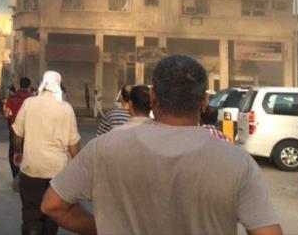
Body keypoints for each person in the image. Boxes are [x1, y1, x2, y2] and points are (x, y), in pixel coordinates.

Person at [41, 55, 282, 235]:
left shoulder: (104, 148)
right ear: (204, 102)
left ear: (154, 97)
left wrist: (102, 228)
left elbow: (53, 206)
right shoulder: (237, 162)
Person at [12, 71, 81, 235]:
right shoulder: (67, 109)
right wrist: (78, 169)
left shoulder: (29, 104)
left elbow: (17, 134)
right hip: (58, 173)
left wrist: (17, 151)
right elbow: (74, 146)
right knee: (51, 216)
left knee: (31, 213)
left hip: (31, 169)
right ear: (59, 86)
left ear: (43, 83)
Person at [4, 77, 32, 190]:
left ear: (19, 85)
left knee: (13, 154)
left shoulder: (12, 98)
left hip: (15, 130)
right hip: (28, 131)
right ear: (29, 86)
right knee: (27, 154)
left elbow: (6, 115)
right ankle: (25, 176)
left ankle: (16, 175)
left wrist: (12, 117)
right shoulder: (31, 99)